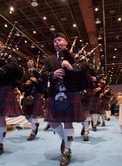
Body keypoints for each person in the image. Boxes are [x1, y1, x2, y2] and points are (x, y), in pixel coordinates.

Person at [41, 32, 86, 166]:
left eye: (59, 40)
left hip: (70, 92)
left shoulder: (74, 56)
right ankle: (63, 137)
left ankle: (67, 150)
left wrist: (71, 65)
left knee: (68, 123)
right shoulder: (49, 59)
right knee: (52, 122)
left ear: (66, 42)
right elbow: (43, 74)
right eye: (55, 41)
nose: (57, 42)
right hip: (55, 93)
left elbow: (84, 69)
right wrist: (52, 74)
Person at [19, 59, 44, 141]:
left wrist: (36, 81)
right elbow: (20, 85)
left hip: (36, 95)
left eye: (31, 61)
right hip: (27, 95)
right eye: (28, 61)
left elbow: (42, 84)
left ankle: (33, 132)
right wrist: (25, 84)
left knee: (34, 115)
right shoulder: (24, 74)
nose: (29, 63)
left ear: (34, 63)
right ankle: (35, 124)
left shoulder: (37, 73)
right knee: (26, 115)